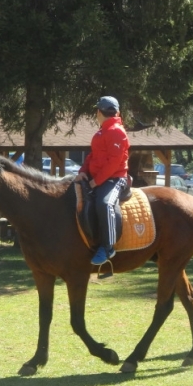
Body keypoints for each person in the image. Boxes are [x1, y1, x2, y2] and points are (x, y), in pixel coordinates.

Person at [75, 96, 130, 265]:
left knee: (104, 204)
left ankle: (108, 247)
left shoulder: (116, 131)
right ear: (118, 112)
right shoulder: (102, 132)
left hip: (115, 179)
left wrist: (95, 182)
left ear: (98, 112)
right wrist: (83, 171)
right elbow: (92, 156)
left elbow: (114, 163)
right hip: (97, 178)